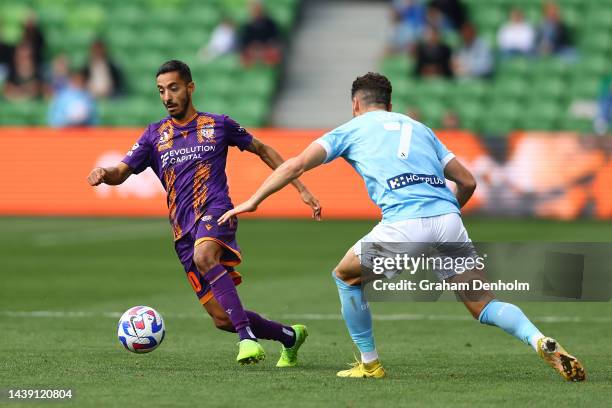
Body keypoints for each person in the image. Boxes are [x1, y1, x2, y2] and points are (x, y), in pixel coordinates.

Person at [219, 72, 586, 381]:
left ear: (356, 104)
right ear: (390, 104)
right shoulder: (421, 129)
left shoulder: (351, 128)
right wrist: (441, 220)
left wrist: (254, 200)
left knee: (346, 276)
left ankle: (370, 364)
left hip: (403, 225)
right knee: (483, 304)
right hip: (448, 221)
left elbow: (296, 164)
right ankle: (539, 340)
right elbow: (469, 182)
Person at [86, 60, 320, 366]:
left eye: (173, 88)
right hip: (182, 232)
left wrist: (300, 188)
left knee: (205, 256)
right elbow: (122, 171)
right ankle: (289, 336)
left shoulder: (218, 125)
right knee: (222, 318)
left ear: (189, 87)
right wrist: (105, 172)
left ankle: (247, 339)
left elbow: (263, 149)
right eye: (161, 91)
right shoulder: (154, 135)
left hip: (216, 211)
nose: (167, 96)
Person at [239, 1, 281, 66]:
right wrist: (253, 47)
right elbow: (244, 43)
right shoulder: (246, 26)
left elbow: (275, 39)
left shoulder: (270, 24)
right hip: (253, 50)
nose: (256, 12)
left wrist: (266, 46)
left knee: (274, 54)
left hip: (266, 49)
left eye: (258, 9)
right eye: (254, 10)